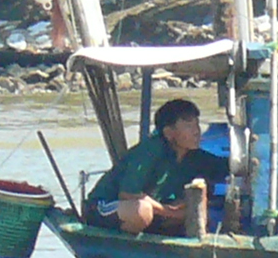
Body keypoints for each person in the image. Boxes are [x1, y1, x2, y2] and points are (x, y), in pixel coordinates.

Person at [88, 97, 221, 237]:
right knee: (142, 211)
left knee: (200, 216)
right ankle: (128, 247)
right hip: (105, 206)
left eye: (197, 125)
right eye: (189, 126)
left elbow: (225, 166)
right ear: (169, 133)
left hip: (154, 211)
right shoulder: (151, 150)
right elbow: (128, 194)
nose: (197, 131)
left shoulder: (195, 156)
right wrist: (169, 212)